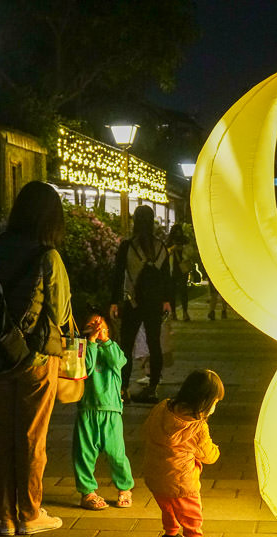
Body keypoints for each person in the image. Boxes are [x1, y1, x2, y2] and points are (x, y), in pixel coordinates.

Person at [0, 181, 71, 536]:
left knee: (3, 436)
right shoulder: (48, 256)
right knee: (31, 438)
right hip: (36, 359)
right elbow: (59, 314)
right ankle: (29, 513)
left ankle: (5, 518)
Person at [141, 369, 225, 537]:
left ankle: (170, 535)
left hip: (154, 473)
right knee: (190, 509)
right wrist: (216, 451)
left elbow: (147, 428)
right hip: (181, 479)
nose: (215, 406)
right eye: (215, 402)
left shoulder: (163, 407)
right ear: (205, 401)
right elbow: (208, 455)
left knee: (167, 506)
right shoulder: (197, 426)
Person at [71, 314, 134, 510]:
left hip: (111, 410)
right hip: (87, 409)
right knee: (83, 453)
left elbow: (117, 362)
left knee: (116, 453)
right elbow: (87, 368)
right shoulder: (81, 349)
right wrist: (91, 343)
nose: (97, 328)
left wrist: (105, 340)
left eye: (102, 326)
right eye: (92, 325)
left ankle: (125, 488)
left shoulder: (114, 349)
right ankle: (87, 492)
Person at [109, 205, 171, 403]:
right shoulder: (161, 247)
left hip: (133, 303)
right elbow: (167, 278)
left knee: (126, 345)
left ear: (135, 221)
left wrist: (114, 301)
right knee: (154, 345)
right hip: (154, 304)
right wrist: (167, 301)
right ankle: (153, 388)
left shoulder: (127, 246)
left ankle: (123, 388)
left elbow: (118, 275)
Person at [167, 221, 191, 321]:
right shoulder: (170, 242)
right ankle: (174, 313)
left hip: (182, 268)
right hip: (173, 269)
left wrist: (182, 248)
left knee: (183, 290)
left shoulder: (185, 241)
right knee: (172, 292)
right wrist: (173, 248)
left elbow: (190, 252)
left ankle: (184, 312)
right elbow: (166, 251)